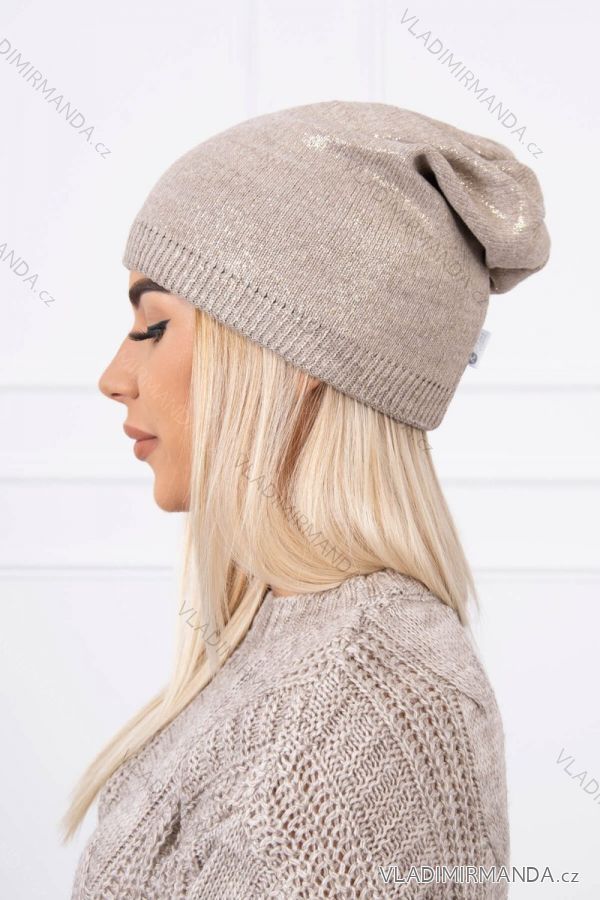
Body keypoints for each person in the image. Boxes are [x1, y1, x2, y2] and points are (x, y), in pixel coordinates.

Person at [63, 99, 550, 898]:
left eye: (153, 327)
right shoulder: (294, 633)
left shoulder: (358, 705)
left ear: (294, 356)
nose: (115, 377)